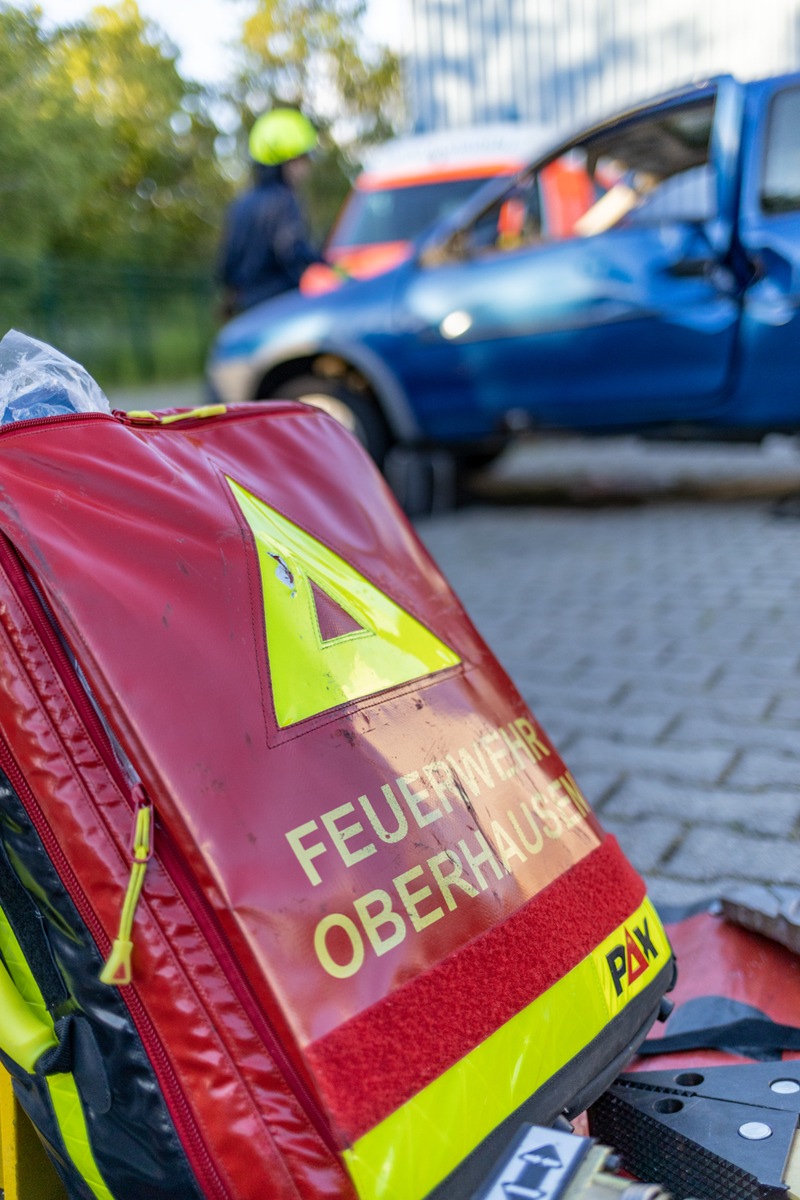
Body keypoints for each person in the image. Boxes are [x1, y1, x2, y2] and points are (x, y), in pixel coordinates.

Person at [217, 108, 320, 317]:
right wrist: (327, 265)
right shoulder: (284, 201)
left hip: (247, 313)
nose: (306, 168)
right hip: (281, 311)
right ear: (285, 162)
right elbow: (292, 251)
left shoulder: (240, 205)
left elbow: (227, 265)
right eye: (302, 159)